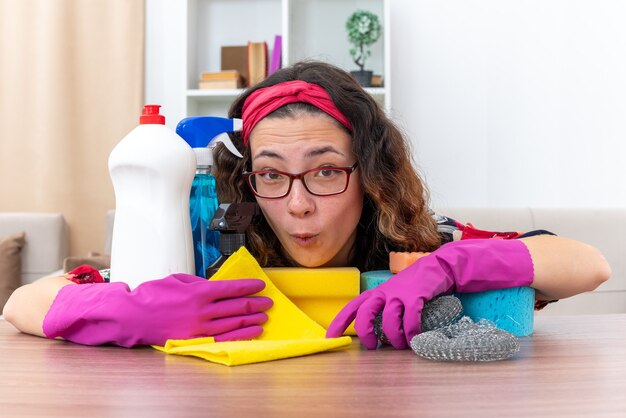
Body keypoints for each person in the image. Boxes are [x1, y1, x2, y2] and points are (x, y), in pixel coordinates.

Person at [3, 61, 611, 350]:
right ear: (247, 180)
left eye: (324, 172)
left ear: (369, 174)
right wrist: (123, 311)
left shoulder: (414, 247)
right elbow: (22, 302)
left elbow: (587, 264)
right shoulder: (210, 249)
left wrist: (451, 267)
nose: (297, 206)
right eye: (271, 176)